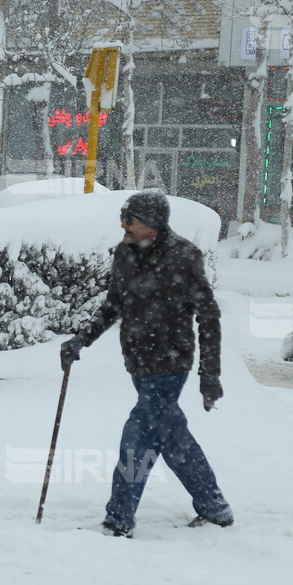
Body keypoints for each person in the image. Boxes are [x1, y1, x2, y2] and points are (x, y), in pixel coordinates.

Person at [59, 190, 232, 539]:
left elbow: (209, 317)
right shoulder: (125, 253)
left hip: (170, 364)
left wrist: (209, 375)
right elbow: (113, 304)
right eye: (123, 216)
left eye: (130, 219)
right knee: (172, 438)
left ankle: (118, 520)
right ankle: (215, 508)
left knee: (136, 440)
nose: (122, 224)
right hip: (138, 363)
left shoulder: (184, 257)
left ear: (152, 226)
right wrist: (82, 339)